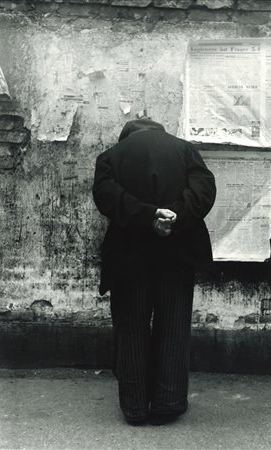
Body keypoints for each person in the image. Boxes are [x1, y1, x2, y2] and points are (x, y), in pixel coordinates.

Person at [92, 118, 216, 425]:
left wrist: (149, 216)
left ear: (128, 135)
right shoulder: (186, 150)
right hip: (178, 252)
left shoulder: (111, 155)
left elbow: (106, 196)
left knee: (131, 325)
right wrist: (174, 216)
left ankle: (134, 406)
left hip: (128, 254)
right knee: (173, 325)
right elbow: (204, 191)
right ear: (159, 131)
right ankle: (168, 402)